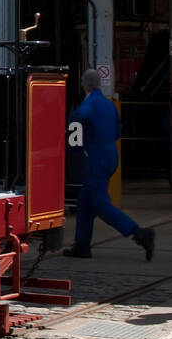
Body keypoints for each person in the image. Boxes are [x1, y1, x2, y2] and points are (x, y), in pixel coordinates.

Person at [64, 69, 156, 260]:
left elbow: (77, 118)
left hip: (96, 158)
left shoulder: (89, 103)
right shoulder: (109, 104)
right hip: (111, 155)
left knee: (100, 204)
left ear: (84, 84)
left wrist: (74, 144)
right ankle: (82, 245)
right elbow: (116, 133)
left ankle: (139, 233)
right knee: (85, 202)